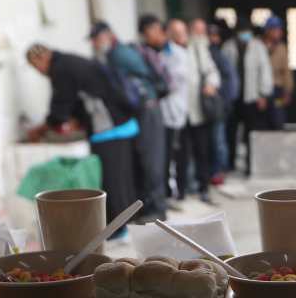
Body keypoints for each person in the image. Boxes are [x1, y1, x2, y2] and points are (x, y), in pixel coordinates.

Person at [25, 43, 139, 236]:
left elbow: (59, 110)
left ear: (42, 58)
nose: (39, 72)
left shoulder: (60, 69)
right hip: (121, 122)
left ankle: (118, 229)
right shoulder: (69, 61)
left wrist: (39, 130)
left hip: (108, 127)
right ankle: (126, 224)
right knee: (123, 179)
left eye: (36, 67)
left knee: (112, 181)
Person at [89, 19, 168, 221]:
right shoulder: (115, 54)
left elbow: (144, 80)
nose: (94, 44)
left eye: (96, 39)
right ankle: (148, 206)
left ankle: (158, 208)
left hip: (147, 109)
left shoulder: (119, 54)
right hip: (141, 110)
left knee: (151, 160)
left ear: (108, 36)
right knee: (144, 159)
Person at [143, 15, 188, 208]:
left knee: (176, 155)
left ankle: (176, 193)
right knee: (163, 156)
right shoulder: (150, 52)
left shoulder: (178, 54)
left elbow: (174, 82)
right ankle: (165, 194)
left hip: (176, 111)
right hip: (161, 113)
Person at [222, 19, 272, 175]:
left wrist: (263, 94)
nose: (245, 35)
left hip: (252, 97)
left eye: (247, 32)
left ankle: (251, 165)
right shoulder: (228, 47)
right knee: (230, 132)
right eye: (242, 32)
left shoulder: (258, 47)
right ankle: (230, 164)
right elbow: (223, 72)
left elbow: (265, 70)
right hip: (233, 98)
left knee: (251, 133)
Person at [186, 18, 222, 203]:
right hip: (183, 111)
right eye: (197, 30)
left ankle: (203, 186)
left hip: (201, 110)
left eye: (202, 31)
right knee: (184, 152)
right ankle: (185, 187)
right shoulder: (182, 48)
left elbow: (213, 72)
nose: (200, 34)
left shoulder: (204, 50)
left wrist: (211, 84)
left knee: (203, 150)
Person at [208, 22, 239, 185]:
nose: (213, 39)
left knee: (218, 140)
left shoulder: (218, 56)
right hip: (212, 106)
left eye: (215, 35)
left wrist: (225, 101)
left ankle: (220, 171)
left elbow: (230, 81)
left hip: (218, 105)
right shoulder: (208, 54)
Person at [263, 15, 294, 130]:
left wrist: (288, 91)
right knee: (263, 123)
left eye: (280, 30)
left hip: (277, 91)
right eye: (276, 29)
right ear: (268, 31)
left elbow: (287, 72)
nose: (279, 32)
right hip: (262, 91)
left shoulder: (282, 48)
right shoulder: (259, 47)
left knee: (278, 119)